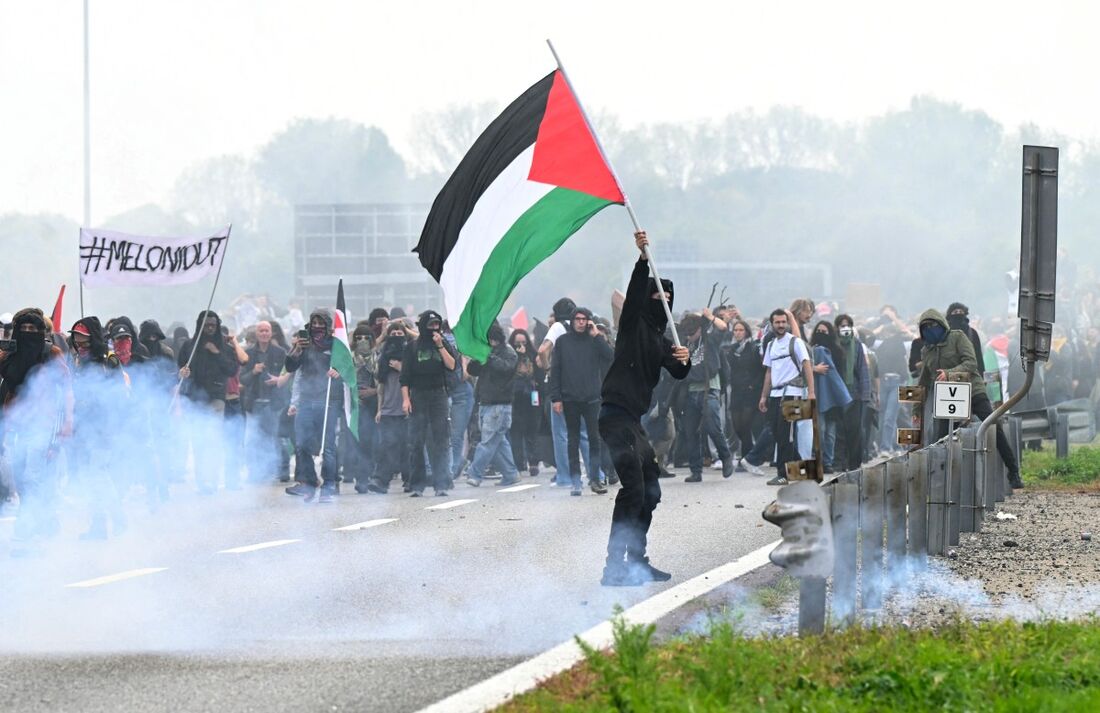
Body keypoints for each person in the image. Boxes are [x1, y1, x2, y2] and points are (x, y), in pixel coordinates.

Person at [599, 231, 690, 586]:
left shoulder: (662, 340)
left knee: (651, 490)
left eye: (667, 297)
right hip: (614, 416)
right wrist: (641, 260)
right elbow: (636, 298)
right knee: (633, 489)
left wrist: (685, 359)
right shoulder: (633, 326)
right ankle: (613, 567)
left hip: (633, 422)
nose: (661, 300)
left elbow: (679, 371)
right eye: (658, 295)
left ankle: (637, 561)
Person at [916, 309, 1023, 489]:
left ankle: (1013, 471)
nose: (930, 330)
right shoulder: (927, 350)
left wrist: (949, 373)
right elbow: (923, 383)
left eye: (933, 325)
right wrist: (916, 411)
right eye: (925, 327)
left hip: (973, 390)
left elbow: (971, 362)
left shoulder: (957, 337)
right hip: (947, 400)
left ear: (942, 324)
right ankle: (942, 480)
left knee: (993, 426)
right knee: (942, 438)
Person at [0, 308, 71, 550]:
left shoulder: (51, 353)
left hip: (44, 424)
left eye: (32, 329)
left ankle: (26, 529)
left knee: (33, 476)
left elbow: (65, 391)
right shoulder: (9, 355)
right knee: (20, 478)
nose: (27, 333)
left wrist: (63, 428)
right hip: (16, 426)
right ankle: (45, 520)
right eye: (24, 329)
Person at [69, 316, 129, 538]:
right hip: (83, 426)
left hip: (103, 426)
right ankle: (99, 525)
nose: (79, 343)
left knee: (98, 474)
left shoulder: (108, 361)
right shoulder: (77, 361)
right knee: (90, 477)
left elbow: (118, 395)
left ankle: (117, 519)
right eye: (76, 338)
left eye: (83, 338)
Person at [550, 307, 614, 495]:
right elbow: (556, 370)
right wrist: (556, 398)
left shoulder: (594, 340)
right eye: (577, 319)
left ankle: (595, 479)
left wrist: (597, 335)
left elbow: (610, 356)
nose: (581, 322)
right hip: (570, 398)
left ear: (589, 321)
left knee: (595, 439)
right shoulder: (562, 342)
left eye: (584, 319)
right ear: (572, 321)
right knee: (573, 439)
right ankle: (575, 480)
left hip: (592, 398)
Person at [284, 310, 343, 503]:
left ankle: (329, 484)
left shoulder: (336, 344)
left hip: (328, 400)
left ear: (327, 325)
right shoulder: (305, 344)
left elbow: (347, 369)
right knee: (301, 444)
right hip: (307, 401)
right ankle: (307, 483)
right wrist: (296, 350)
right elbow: (292, 368)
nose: (317, 326)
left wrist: (338, 371)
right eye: (314, 322)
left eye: (321, 322)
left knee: (327, 447)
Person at [177, 311, 237, 495]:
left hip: (216, 398)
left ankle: (211, 479)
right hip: (194, 398)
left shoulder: (224, 347)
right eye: (206, 325)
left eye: (213, 325)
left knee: (212, 440)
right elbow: (180, 368)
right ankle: (201, 481)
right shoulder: (189, 346)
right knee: (198, 441)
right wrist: (182, 372)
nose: (210, 328)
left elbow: (231, 369)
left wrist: (216, 352)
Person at [401, 310, 457, 497]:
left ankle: (441, 483)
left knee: (440, 440)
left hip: (438, 395)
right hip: (418, 395)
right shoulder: (412, 347)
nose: (434, 329)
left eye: (436, 325)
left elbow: (452, 366)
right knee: (416, 441)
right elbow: (405, 377)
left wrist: (440, 346)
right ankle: (417, 484)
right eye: (430, 325)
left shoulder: (443, 343)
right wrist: (406, 399)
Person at [758, 308, 815, 486]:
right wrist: (763, 396)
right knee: (778, 434)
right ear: (772, 324)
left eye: (784, 322)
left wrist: (811, 392)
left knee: (786, 436)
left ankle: (783, 474)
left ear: (788, 323)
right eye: (777, 322)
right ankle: (803, 471)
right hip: (776, 394)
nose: (781, 325)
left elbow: (807, 366)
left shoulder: (796, 342)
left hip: (793, 393)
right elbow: (769, 372)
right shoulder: (771, 345)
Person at [678, 310, 735, 481]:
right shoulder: (684, 342)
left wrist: (710, 317)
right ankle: (696, 471)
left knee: (713, 427)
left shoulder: (710, 340)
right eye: (686, 334)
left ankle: (725, 457)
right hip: (690, 391)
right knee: (690, 432)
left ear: (699, 329)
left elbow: (723, 327)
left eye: (692, 333)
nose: (689, 337)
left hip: (709, 390)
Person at [465, 322, 520, 487]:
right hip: (485, 402)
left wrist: (488, 356)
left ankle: (475, 473)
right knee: (498, 442)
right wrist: (477, 357)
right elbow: (472, 370)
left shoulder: (509, 353)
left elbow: (505, 369)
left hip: (499, 405)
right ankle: (510, 474)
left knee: (488, 442)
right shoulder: (487, 353)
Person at [241, 320, 288, 485]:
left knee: (275, 436)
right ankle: (256, 471)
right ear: (256, 333)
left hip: (273, 402)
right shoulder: (248, 354)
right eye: (261, 331)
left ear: (271, 333)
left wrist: (278, 380)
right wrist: (253, 371)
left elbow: (287, 375)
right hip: (254, 402)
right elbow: (243, 379)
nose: (264, 334)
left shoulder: (280, 352)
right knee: (255, 438)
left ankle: (280, 470)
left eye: (267, 331)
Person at [367, 322, 411, 493]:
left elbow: (415, 380)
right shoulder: (383, 357)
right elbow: (381, 387)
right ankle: (380, 481)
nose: (397, 336)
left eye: (401, 334)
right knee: (387, 445)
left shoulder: (411, 352)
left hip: (406, 407)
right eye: (394, 333)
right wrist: (380, 409)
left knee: (407, 446)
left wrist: (403, 368)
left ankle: (410, 479)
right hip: (388, 409)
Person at [809, 321, 852, 474]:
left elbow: (839, 374)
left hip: (832, 395)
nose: (821, 334)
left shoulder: (837, 352)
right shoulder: (812, 350)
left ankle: (828, 462)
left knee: (830, 432)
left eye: (824, 331)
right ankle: (820, 460)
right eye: (818, 331)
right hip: (818, 394)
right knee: (820, 429)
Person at [724, 319, 764, 472]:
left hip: (749, 391)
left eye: (741, 330)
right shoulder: (732, 349)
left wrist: (753, 385)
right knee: (736, 425)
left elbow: (760, 370)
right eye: (735, 330)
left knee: (746, 425)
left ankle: (747, 457)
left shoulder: (753, 348)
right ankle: (751, 453)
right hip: (736, 391)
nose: (738, 333)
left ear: (746, 331)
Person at [833, 313, 871, 471]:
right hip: (836, 394)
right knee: (839, 430)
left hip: (854, 393)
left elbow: (863, 369)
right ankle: (840, 462)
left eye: (847, 325)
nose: (845, 328)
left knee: (854, 429)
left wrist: (865, 394)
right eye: (841, 325)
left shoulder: (857, 345)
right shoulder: (833, 344)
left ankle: (854, 463)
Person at [508, 329, 543, 477]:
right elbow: (508, 370)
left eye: (523, 342)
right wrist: (518, 355)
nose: (521, 345)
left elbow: (539, 374)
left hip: (531, 397)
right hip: (514, 397)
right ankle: (518, 462)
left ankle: (533, 462)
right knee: (516, 431)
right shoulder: (509, 355)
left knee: (532, 430)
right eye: (517, 343)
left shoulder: (533, 355)